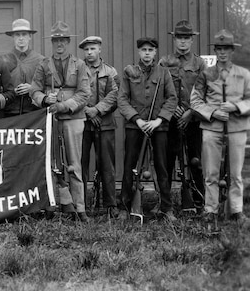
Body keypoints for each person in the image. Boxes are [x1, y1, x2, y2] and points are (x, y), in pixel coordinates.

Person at [30, 21, 91, 222]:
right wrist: (44, 99)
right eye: (56, 40)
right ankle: (53, 204)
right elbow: (34, 90)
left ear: (68, 41)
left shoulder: (79, 65)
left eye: (63, 40)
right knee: (51, 163)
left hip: (73, 118)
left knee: (74, 164)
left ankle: (79, 207)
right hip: (50, 120)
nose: (59, 44)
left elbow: (84, 94)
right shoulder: (44, 65)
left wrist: (64, 105)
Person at [190, 29, 250, 228]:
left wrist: (236, 107)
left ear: (232, 51)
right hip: (212, 128)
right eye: (219, 48)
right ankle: (210, 210)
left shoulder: (244, 74)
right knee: (211, 173)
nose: (222, 52)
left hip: (237, 129)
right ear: (215, 51)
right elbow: (195, 101)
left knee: (235, 174)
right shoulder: (206, 74)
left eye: (226, 49)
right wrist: (213, 113)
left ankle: (236, 210)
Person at [117, 37, 177, 222]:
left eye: (150, 50)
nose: (147, 53)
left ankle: (166, 208)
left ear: (155, 52)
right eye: (143, 50)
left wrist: (159, 120)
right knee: (130, 166)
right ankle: (125, 207)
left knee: (162, 166)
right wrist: (137, 120)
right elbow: (122, 99)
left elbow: (172, 99)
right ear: (138, 52)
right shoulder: (129, 72)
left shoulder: (164, 73)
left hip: (158, 127)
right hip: (135, 126)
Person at [159, 20, 206, 210]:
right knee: (168, 161)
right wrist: (173, 110)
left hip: (192, 119)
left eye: (187, 38)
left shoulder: (199, 63)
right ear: (174, 39)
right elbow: (159, 90)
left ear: (192, 40)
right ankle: (166, 203)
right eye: (180, 38)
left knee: (195, 160)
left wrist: (190, 112)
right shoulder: (164, 61)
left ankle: (198, 201)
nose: (183, 42)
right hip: (171, 119)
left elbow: (204, 91)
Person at [78, 36, 120, 218]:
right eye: (86, 49)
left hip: (105, 123)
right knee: (81, 165)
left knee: (107, 166)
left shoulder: (110, 72)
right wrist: (87, 111)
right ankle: (81, 205)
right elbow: (74, 92)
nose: (89, 52)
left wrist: (97, 110)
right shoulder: (78, 70)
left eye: (93, 49)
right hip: (82, 123)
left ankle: (111, 205)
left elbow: (116, 95)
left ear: (100, 49)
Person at [1, 19, 44, 116]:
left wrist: (32, 88)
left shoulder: (40, 60)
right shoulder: (3, 60)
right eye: (17, 35)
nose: (21, 38)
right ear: (12, 37)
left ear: (30, 36)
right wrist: (12, 92)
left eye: (24, 34)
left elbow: (46, 86)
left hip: (34, 113)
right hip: (9, 112)